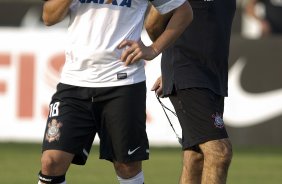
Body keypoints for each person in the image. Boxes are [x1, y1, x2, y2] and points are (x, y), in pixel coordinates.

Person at [38, 0, 193, 184]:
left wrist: (153, 49)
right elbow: (48, 17)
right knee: (51, 162)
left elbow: (184, 12)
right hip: (74, 83)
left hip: (123, 83)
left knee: (127, 167)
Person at [146, 0, 236, 183]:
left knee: (195, 156)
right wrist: (173, 63)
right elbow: (153, 24)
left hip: (213, 76)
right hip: (187, 70)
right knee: (220, 152)